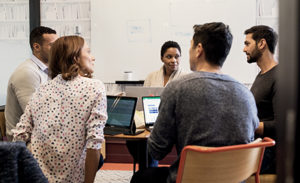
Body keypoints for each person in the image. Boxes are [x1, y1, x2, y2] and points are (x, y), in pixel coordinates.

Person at [131, 22, 259, 183]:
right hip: (235, 180)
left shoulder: (176, 89)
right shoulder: (246, 94)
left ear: (199, 50)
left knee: (141, 178)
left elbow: (156, 151)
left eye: (190, 47)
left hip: (190, 179)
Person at [12, 35, 107, 183]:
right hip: (73, 177)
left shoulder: (42, 89)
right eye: (88, 52)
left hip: (37, 176)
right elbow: (94, 143)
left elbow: (20, 135)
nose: (92, 57)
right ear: (75, 58)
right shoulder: (95, 87)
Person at [5, 26, 58, 141]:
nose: (57, 50)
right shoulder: (27, 72)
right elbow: (36, 115)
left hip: (40, 135)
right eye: (52, 46)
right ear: (36, 47)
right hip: (24, 142)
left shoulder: (47, 70)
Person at [243, 25, 278, 174]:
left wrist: (251, 125)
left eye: (247, 44)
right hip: (257, 147)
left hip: (270, 153)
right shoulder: (262, 75)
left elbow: (282, 125)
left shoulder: (279, 77)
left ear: (262, 44)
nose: (244, 49)